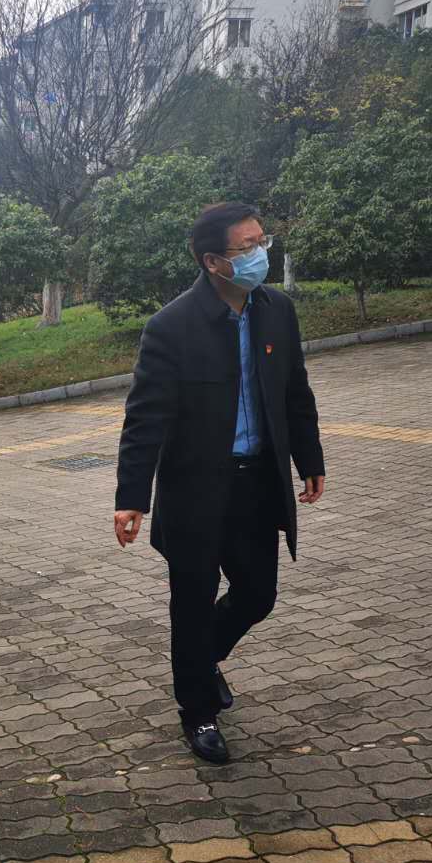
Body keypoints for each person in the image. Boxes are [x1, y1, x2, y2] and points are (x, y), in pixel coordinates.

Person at [113, 203, 326, 765]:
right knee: (192, 601)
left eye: (262, 241)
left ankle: (201, 660)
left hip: (257, 482)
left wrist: (309, 458)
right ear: (213, 262)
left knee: (258, 594)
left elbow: (295, 391)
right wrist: (131, 498)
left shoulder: (277, 311)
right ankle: (198, 711)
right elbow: (145, 419)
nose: (261, 254)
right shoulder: (172, 327)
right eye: (247, 247)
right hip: (194, 493)